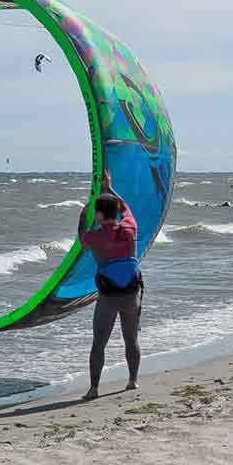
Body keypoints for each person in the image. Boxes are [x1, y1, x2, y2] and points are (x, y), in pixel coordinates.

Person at [80, 171, 141, 400]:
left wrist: (85, 212)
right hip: (131, 293)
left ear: (98, 214)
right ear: (115, 213)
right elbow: (125, 206)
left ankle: (94, 389)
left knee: (99, 342)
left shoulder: (92, 237)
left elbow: (80, 239)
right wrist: (108, 187)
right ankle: (132, 381)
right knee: (131, 338)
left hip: (107, 297)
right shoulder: (129, 228)